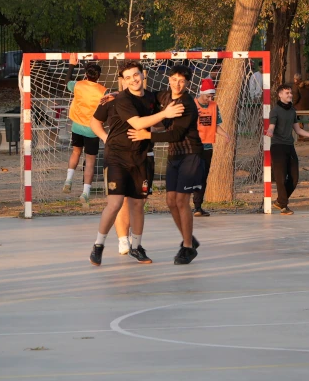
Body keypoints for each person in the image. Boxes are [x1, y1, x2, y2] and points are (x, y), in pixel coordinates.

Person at [86, 62, 183, 266]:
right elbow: (137, 123)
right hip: (117, 157)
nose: (133, 79)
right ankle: (98, 245)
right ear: (123, 80)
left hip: (142, 157)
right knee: (115, 203)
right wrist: (105, 138)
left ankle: (136, 247)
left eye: (136, 75)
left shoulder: (152, 97)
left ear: (142, 75)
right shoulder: (119, 99)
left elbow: (163, 108)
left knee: (138, 204)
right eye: (128, 77)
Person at [129, 65, 204, 264]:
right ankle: (190, 239)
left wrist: (147, 135)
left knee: (181, 201)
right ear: (169, 79)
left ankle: (187, 247)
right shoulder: (163, 97)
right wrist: (115, 96)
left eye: (181, 81)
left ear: (187, 83)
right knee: (170, 201)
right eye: (174, 79)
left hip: (190, 154)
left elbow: (176, 134)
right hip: (174, 156)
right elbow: (142, 95)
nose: (177, 84)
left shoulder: (186, 103)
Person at [267, 84, 309, 215]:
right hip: (278, 147)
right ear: (280, 95)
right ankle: (284, 206)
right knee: (281, 177)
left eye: (290, 93)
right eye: (286, 93)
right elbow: (271, 126)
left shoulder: (292, 110)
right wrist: (270, 131)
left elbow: (298, 129)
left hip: (290, 146)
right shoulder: (275, 110)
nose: (290, 95)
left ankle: (279, 201)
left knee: (294, 178)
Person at [63, 62, 107, 200]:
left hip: (77, 126)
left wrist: (71, 65)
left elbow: (67, 81)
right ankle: (85, 192)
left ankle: (68, 179)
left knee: (76, 152)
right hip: (93, 129)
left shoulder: (78, 85)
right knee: (90, 162)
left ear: (86, 74)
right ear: (99, 76)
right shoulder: (103, 91)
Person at [193, 79, 220, 217]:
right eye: (207, 96)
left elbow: (217, 124)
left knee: (203, 177)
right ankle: (182, 203)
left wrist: (225, 135)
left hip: (208, 146)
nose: (210, 99)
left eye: (211, 96)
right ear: (201, 93)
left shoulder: (214, 106)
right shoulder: (192, 105)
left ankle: (198, 207)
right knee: (192, 176)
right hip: (193, 147)